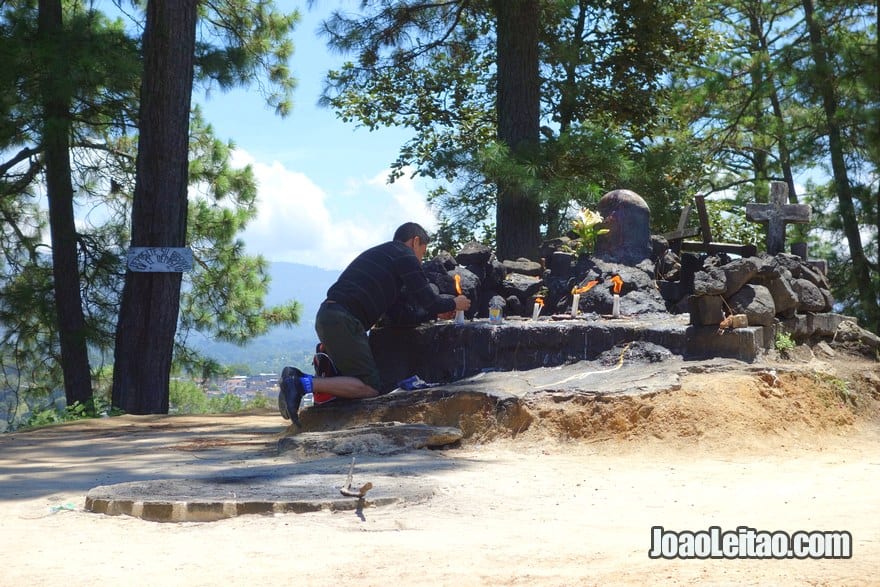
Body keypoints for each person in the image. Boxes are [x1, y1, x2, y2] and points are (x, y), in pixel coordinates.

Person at [278, 222, 471, 425]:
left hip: (330, 316)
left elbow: (396, 315)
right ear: (414, 242)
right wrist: (454, 302)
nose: (420, 260)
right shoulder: (404, 254)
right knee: (369, 387)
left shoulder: (386, 260)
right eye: (422, 253)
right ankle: (301, 383)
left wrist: (435, 315)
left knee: (356, 382)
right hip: (344, 320)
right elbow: (428, 299)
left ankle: (297, 380)